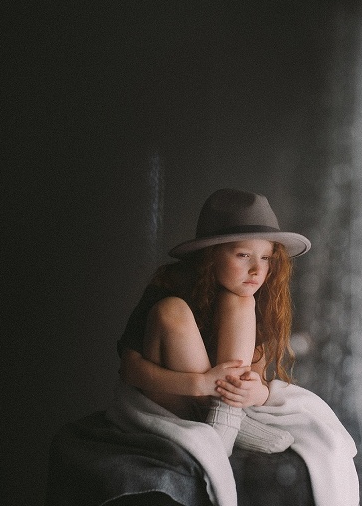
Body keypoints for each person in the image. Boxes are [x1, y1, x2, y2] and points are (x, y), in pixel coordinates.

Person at [115, 188, 311, 455]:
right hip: (172, 401)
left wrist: (259, 393)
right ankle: (228, 424)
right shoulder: (170, 283)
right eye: (243, 255)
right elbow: (129, 369)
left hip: (219, 407)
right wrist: (201, 383)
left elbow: (256, 373)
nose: (257, 270)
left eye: (265, 258)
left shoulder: (251, 299)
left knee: (241, 301)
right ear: (211, 255)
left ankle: (225, 420)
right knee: (171, 309)